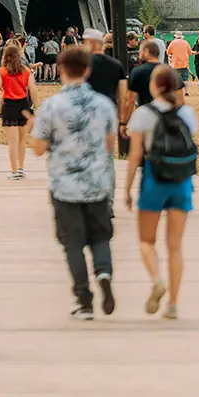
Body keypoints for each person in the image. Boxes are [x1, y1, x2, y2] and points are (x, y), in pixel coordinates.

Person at [30, 44, 118, 320]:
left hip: (65, 185)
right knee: (100, 236)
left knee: (73, 243)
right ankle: (104, 271)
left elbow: (38, 148)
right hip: (97, 182)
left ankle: (84, 298)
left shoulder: (52, 106)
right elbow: (110, 143)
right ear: (87, 70)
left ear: (61, 70)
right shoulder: (104, 105)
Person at [125, 65, 199, 320]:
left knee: (147, 241)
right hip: (181, 182)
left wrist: (126, 189)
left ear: (154, 86)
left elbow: (135, 156)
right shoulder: (187, 113)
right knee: (175, 246)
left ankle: (157, 279)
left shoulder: (143, 115)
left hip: (154, 180)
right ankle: (173, 304)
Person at [0, 40, 37, 179]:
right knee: (21, 140)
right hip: (23, 105)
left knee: (12, 141)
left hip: (9, 105)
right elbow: (33, 89)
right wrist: (36, 106)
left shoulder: (2, 71)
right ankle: (21, 168)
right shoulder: (26, 71)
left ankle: (14, 170)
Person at [82, 29, 126, 134]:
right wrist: (120, 118)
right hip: (109, 111)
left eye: (84, 42)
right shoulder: (116, 65)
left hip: (87, 111)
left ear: (91, 42)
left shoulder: (82, 64)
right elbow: (123, 95)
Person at [123, 39, 162, 140]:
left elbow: (130, 99)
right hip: (165, 117)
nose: (138, 54)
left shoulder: (138, 72)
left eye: (140, 51)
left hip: (146, 115)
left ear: (146, 52)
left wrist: (124, 122)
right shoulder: (168, 71)